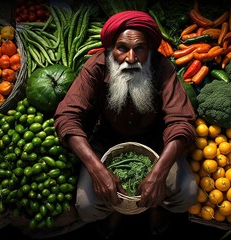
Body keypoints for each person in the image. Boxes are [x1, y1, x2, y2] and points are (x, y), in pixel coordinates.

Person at [53, 10, 198, 239]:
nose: (131, 58)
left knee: (187, 194)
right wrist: (97, 169)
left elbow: (181, 121)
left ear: (149, 50)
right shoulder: (96, 67)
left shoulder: (162, 68)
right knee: (87, 206)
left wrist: (158, 172)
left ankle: (155, 205)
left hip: (154, 142)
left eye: (139, 48)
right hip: (107, 140)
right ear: (111, 49)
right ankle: (116, 209)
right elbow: (67, 117)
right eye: (122, 48)